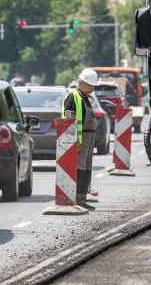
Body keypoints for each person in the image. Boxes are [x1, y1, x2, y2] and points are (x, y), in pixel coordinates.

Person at [62, 68, 100, 209]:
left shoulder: (85, 98)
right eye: (90, 85)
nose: (92, 88)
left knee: (86, 168)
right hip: (79, 140)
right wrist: (74, 141)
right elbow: (68, 119)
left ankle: (82, 198)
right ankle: (77, 199)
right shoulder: (73, 96)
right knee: (80, 168)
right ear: (81, 83)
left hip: (88, 140)